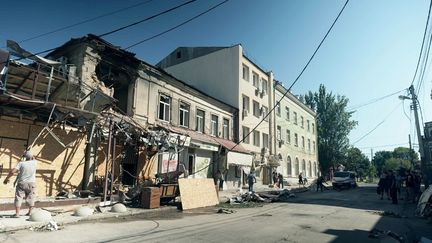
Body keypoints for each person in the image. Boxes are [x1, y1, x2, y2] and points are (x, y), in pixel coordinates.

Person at [3, 150, 37, 217]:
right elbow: (33, 158)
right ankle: (29, 213)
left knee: (19, 197)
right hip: (31, 183)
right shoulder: (35, 162)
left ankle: (17, 214)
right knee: (31, 197)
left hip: (22, 183)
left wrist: (6, 179)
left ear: (24, 157)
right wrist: (27, 154)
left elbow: (12, 172)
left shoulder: (21, 163)